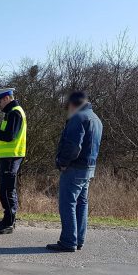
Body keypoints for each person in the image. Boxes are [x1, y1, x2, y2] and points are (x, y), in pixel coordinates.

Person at [47, 92, 102, 252]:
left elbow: (73, 146)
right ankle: (78, 240)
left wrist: (62, 163)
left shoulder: (78, 118)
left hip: (74, 168)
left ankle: (68, 241)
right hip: (88, 167)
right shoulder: (96, 119)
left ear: (73, 105)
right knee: (82, 203)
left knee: (67, 203)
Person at [0, 88, 27, 234]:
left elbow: (10, 136)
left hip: (11, 156)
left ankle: (9, 222)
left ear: (7, 98)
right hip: (7, 156)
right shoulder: (11, 112)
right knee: (5, 190)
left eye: (0, 101)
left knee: (7, 190)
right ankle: (7, 218)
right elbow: (4, 138)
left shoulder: (15, 112)